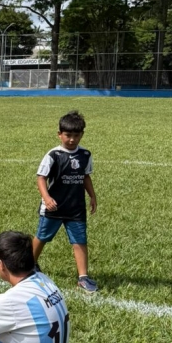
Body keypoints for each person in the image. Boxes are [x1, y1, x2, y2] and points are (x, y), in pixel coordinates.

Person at [33, 110, 98, 293]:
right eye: (68, 135)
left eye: (76, 135)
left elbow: (85, 176)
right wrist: (47, 198)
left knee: (80, 240)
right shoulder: (53, 155)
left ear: (82, 135)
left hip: (76, 208)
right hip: (54, 207)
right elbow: (41, 178)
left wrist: (92, 196)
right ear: (59, 134)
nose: (71, 139)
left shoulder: (85, 154)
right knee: (42, 237)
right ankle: (30, 265)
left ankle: (83, 277)